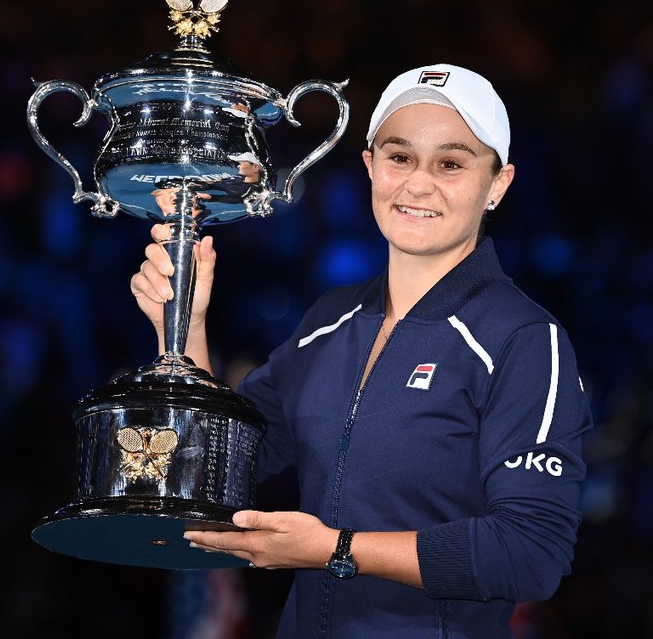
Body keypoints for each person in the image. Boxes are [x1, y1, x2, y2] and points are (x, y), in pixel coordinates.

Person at [131, 64, 592, 639]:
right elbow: (217, 469)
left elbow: (531, 553)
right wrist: (186, 326)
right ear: (371, 166)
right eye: (400, 158)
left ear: (497, 184)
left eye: (451, 163)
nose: (418, 184)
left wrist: (334, 549)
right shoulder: (330, 320)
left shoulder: (522, 340)